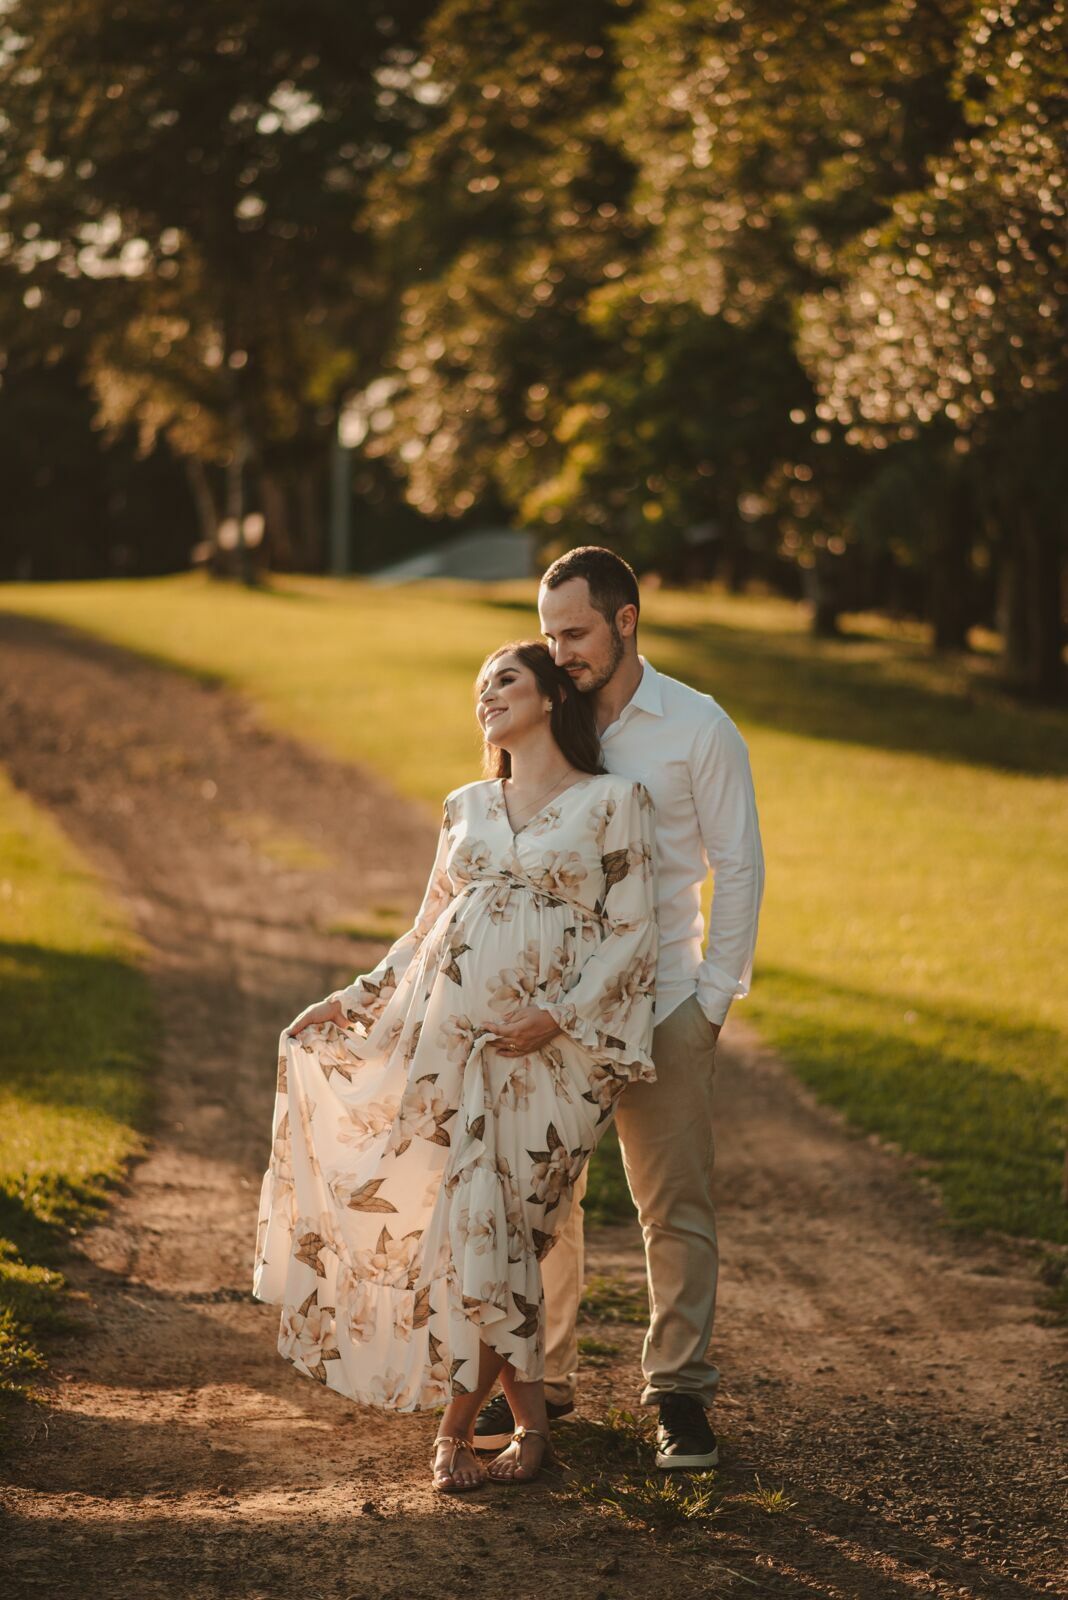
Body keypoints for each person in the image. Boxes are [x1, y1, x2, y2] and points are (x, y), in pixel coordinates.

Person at [253, 640, 658, 1493]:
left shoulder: (614, 803)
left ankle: (476, 1431)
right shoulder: (465, 805)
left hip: (556, 1054)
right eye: (479, 689)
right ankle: (503, 1433)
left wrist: (555, 1016)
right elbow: (425, 929)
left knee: (503, 1225)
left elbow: (632, 931)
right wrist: (352, 999)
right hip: (453, 1049)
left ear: (550, 695)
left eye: (505, 679)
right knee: (484, 1228)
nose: (488, 696)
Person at [472, 547, 764, 1472]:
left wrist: (713, 998)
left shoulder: (697, 727)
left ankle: (678, 1393)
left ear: (626, 620)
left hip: (666, 999)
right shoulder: (548, 712)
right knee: (543, 1193)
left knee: (672, 1205)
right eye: (549, 631)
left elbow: (740, 863)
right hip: (555, 1008)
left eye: (576, 631)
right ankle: (542, 1379)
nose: (559, 649)